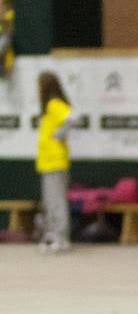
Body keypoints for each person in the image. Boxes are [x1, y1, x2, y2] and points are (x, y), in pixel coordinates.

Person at [35, 71, 73, 253]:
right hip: (46, 162)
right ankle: (52, 235)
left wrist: (60, 133)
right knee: (50, 202)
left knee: (57, 202)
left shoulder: (54, 104)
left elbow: (72, 118)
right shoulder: (47, 107)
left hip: (56, 161)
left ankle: (61, 237)